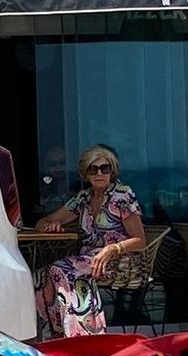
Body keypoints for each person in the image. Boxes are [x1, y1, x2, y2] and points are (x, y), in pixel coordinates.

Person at [34, 144, 147, 337]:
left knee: (64, 270)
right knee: (40, 274)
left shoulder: (121, 196)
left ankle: (84, 335)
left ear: (112, 171)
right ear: (85, 173)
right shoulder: (83, 198)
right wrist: (50, 226)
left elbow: (140, 241)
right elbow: (42, 223)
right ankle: (57, 332)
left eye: (105, 168)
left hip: (120, 263)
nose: (99, 173)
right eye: (93, 169)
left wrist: (112, 249)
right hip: (88, 261)